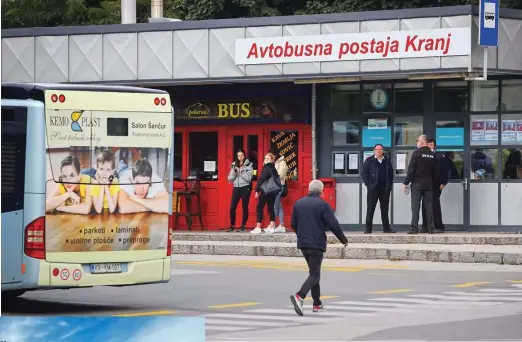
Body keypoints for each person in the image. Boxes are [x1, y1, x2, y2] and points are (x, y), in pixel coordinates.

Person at [289, 180, 348, 316]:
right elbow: (333, 225)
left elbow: (293, 223)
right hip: (317, 244)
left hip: (303, 243)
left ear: (309, 190)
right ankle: (300, 295)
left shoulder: (298, 203)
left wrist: (302, 235)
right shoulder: (323, 205)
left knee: (314, 273)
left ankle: (317, 304)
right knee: (314, 274)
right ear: (321, 191)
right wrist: (343, 240)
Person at [403, 135, 438, 234]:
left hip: (417, 184)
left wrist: (405, 182)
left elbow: (411, 169)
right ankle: (431, 228)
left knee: (415, 206)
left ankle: (414, 228)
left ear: (422, 142)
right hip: (429, 184)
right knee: (429, 206)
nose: (417, 142)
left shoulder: (416, 153)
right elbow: (436, 172)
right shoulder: (432, 155)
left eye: (417, 140)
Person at [361, 143, 395, 234]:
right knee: (370, 209)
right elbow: (364, 174)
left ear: (383, 150)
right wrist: (369, 185)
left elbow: (391, 175)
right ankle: (368, 229)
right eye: (377, 149)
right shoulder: (369, 160)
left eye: (380, 149)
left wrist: (389, 186)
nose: (379, 151)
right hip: (373, 189)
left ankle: (386, 228)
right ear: (374, 151)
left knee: (385, 209)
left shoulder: (387, 160)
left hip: (385, 189)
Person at [421, 139, 449, 234]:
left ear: (435, 146)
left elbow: (445, 170)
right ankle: (425, 226)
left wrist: (443, 182)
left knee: (435, 205)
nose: (429, 146)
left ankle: (439, 226)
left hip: (436, 185)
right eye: (428, 144)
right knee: (425, 205)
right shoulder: (423, 156)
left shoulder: (439, 156)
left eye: (431, 144)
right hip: (425, 184)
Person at [251, 152, 280, 234]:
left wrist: (257, 190)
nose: (265, 160)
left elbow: (261, 179)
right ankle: (271, 227)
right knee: (271, 208)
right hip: (273, 190)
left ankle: (258, 227)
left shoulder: (266, 167)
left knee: (259, 207)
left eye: (267, 159)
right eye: (265, 158)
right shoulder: (273, 168)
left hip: (266, 191)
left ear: (271, 160)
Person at [226, 149, 253, 232]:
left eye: (242, 155)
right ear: (237, 156)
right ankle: (232, 225)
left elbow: (249, 178)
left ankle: (243, 225)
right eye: (239, 156)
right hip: (236, 187)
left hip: (245, 187)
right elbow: (229, 179)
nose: (240, 157)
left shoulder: (249, 164)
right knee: (232, 207)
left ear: (244, 156)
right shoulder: (234, 164)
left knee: (244, 206)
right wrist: (234, 172)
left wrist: (241, 171)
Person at [91, 149, 120, 214]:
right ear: (97, 169)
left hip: (114, 176)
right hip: (94, 174)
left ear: (112, 171)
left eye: (108, 169)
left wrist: (106, 186)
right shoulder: (94, 185)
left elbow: (112, 209)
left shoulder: (115, 182)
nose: (104, 173)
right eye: (101, 169)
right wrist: (102, 186)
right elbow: (98, 210)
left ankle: (121, 164)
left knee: (121, 170)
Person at [274, 152, 289, 233]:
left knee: (276, 206)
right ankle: (280, 224)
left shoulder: (282, 162)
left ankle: (274, 224)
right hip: (274, 186)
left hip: (279, 186)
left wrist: (272, 175)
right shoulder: (274, 162)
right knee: (278, 205)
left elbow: (281, 175)